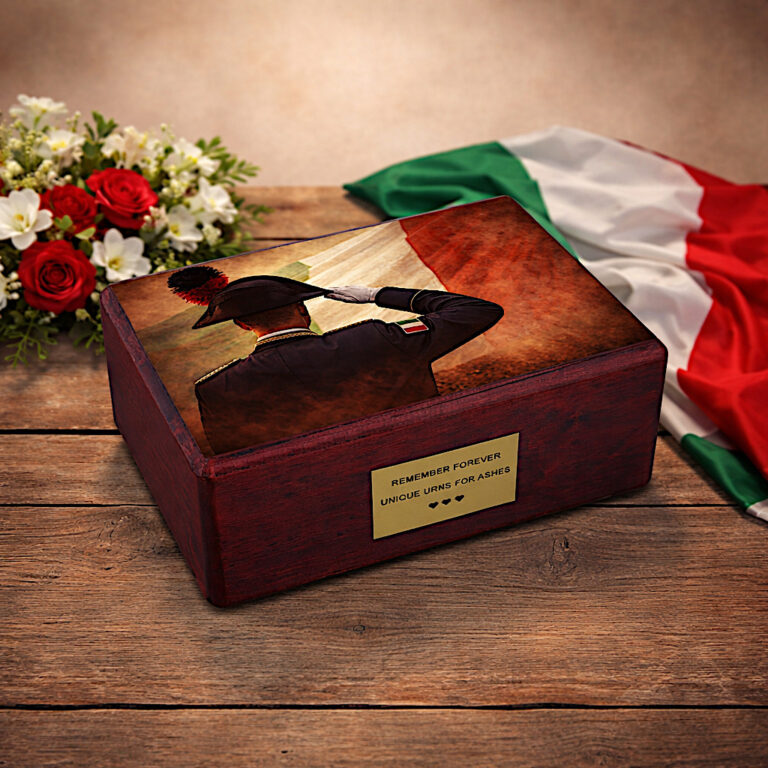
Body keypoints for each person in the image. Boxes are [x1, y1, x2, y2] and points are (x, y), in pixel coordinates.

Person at [170, 269, 503, 454]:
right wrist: (377, 294)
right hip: (428, 462)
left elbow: (234, 460)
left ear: (243, 325)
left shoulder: (217, 388)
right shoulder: (376, 338)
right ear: (303, 309)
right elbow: (478, 311)